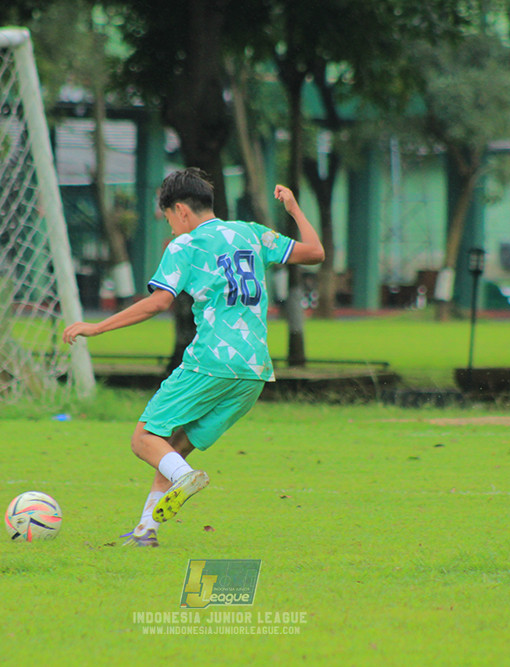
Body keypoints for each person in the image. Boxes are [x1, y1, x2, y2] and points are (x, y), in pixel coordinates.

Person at [63, 168, 324, 546]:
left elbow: (159, 302)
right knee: (172, 447)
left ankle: (184, 478)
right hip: (254, 371)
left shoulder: (184, 247)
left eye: (168, 218)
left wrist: (96, 328)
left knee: (143, 439)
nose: (170, 228)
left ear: (181, 210)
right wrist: (295, 210)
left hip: (212, 361)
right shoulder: (250, 232)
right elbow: (315, 253)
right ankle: (145, 530)